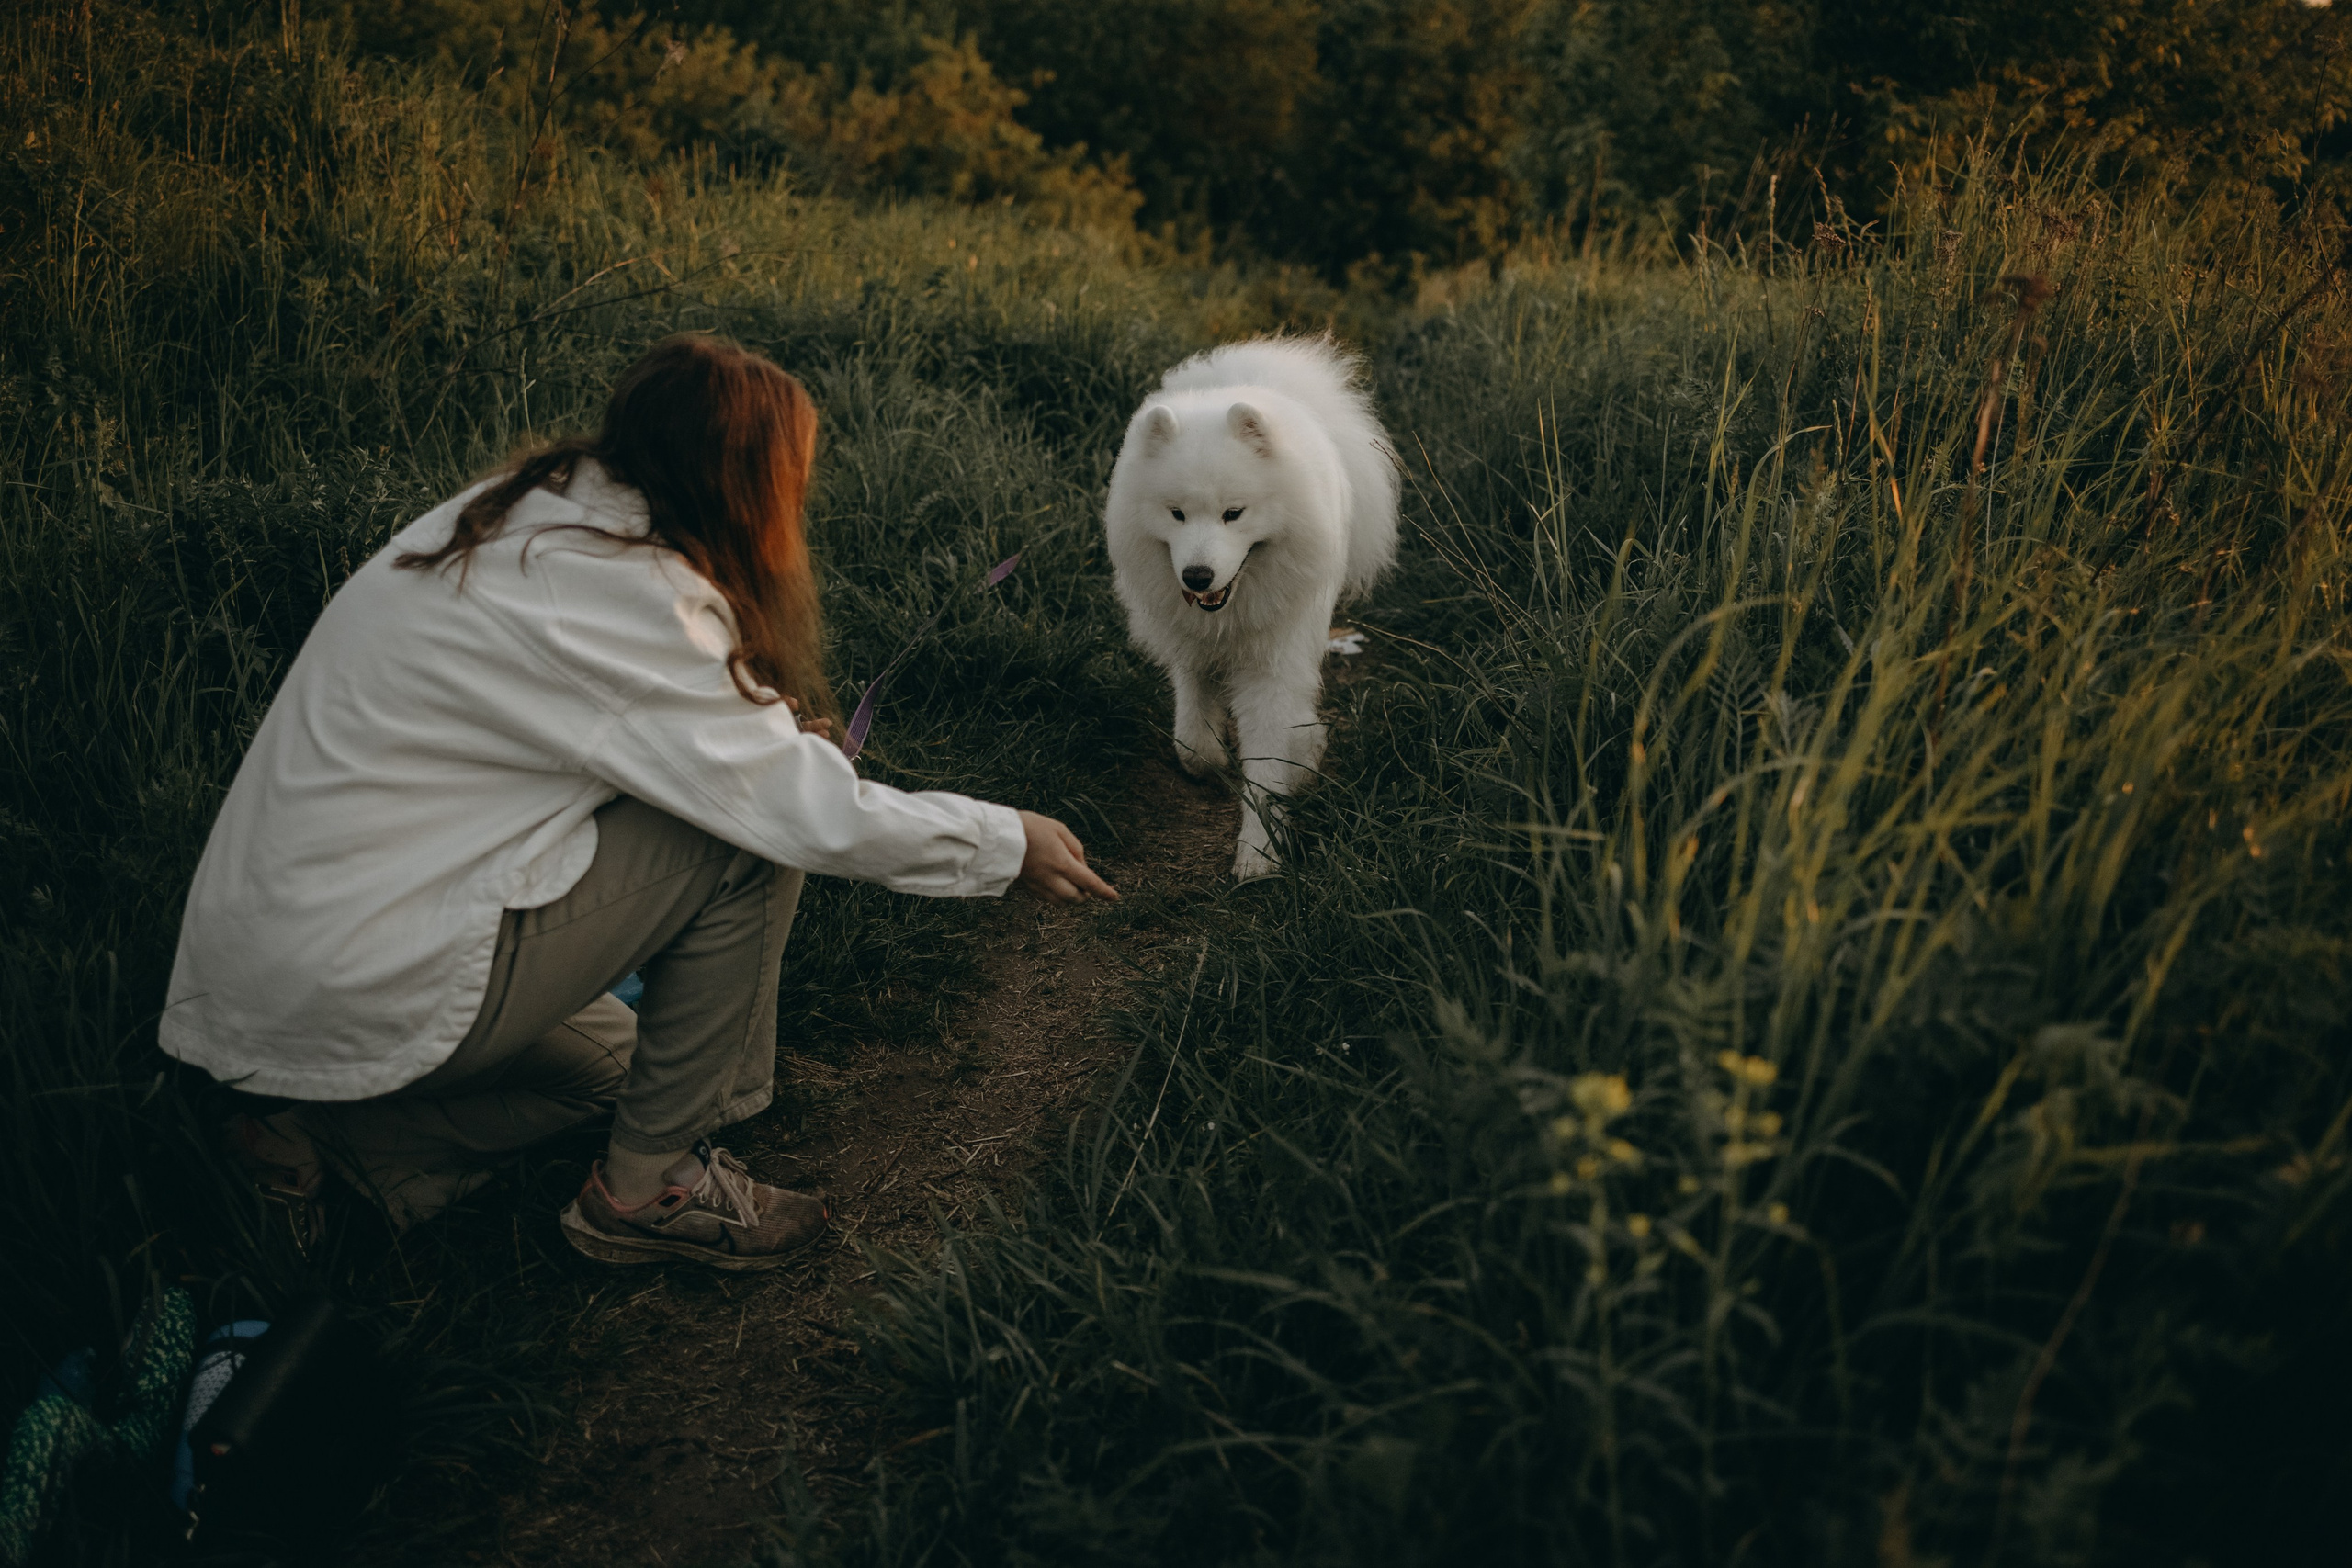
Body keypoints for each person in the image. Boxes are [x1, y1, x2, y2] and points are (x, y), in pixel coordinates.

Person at [162, 334, 1116, 1270]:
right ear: (742, 485)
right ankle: (649, 1189)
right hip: (363, 966)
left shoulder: (529, 517)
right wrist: (1005, 840)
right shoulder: (635, 589)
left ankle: (315, 1152)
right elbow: (792, 808)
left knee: (636, 1072)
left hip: (281, 966)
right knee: (743, 840)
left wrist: (741, 737)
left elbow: (604, 733)